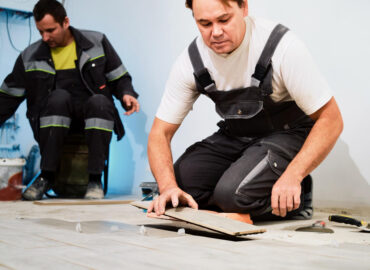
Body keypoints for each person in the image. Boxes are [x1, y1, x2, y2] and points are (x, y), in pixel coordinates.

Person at [147, 0, 343, 220]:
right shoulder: (192, 61)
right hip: (237, 135)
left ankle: (295, 196)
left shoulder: (280, 46)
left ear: (244, 8)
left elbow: (331, 120)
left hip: (288, 133)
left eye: (224, 19)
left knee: (233, 195)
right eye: (205, 24)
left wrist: (294, 174)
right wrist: (167, 188)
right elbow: (159, 134)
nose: (216, 32)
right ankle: (240, 196)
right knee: (180, 184)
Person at [0, 0, 139, 200]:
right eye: (40, 32)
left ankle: (94, 180)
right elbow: (7, 96)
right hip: (54, 122)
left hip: (92, 119)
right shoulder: (30, 56)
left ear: (65, 22)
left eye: (50, 30)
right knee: (58, 97)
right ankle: (46, 176)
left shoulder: (96, 42)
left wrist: (127, 93)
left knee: (100, 101)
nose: (45, 37)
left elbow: (119, 77)